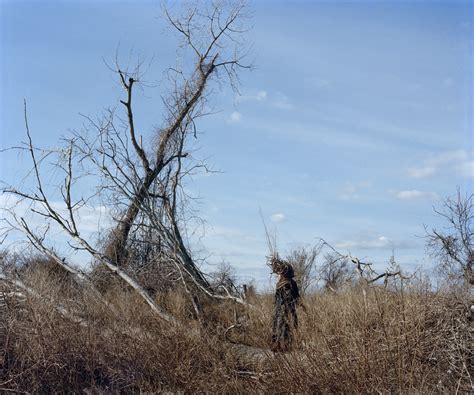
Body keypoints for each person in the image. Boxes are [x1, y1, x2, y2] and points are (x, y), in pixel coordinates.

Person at [270, 258, 302, 352]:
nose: (278, 276)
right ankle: (281, 347)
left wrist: (285, 310)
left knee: (283, 327)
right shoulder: (289, 283)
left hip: (283, 311)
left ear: (283, 274)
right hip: (286, 310)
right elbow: (297, 298)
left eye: (279, 274)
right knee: (283, 327)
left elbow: (289, 298)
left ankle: (282, 347)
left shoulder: (286, 284)